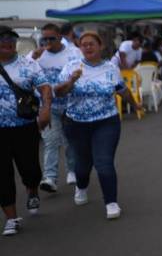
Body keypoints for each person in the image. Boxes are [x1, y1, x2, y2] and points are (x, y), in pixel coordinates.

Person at [55, 32, 140, 220]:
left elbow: (122, 90)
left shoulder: (111, 68)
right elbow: (59, 92)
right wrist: (71, 81)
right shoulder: (71, 67)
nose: (87, 47)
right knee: (83, 164)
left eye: (91, 44)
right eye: (83, 44)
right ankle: (81, 186)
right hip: (76, 124)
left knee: (104, 161)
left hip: (106, 122)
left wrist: (135, 105)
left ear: (100, 46)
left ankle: (111, 202)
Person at [0, 26, 52, 235]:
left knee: (30, 169)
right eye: (2, 40)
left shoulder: (28, 64)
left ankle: (32, 190)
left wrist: (46, 109)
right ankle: (11, 218)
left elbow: (45, 88)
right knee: (1, 175)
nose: (7, 43)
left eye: (11, 40)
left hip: (25, 127)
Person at [30, 23, 82, 192]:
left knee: (70, 139)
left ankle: (72, 170)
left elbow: (81, 72)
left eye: (51, 38)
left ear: (60, 37)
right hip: (48, 105)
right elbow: (24, 73)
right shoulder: (36, 55)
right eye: (44, 38)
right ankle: (50, 177)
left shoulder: (73, 53)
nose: (47, 42)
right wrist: (33, 59)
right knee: (50, 140)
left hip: (70, 104)